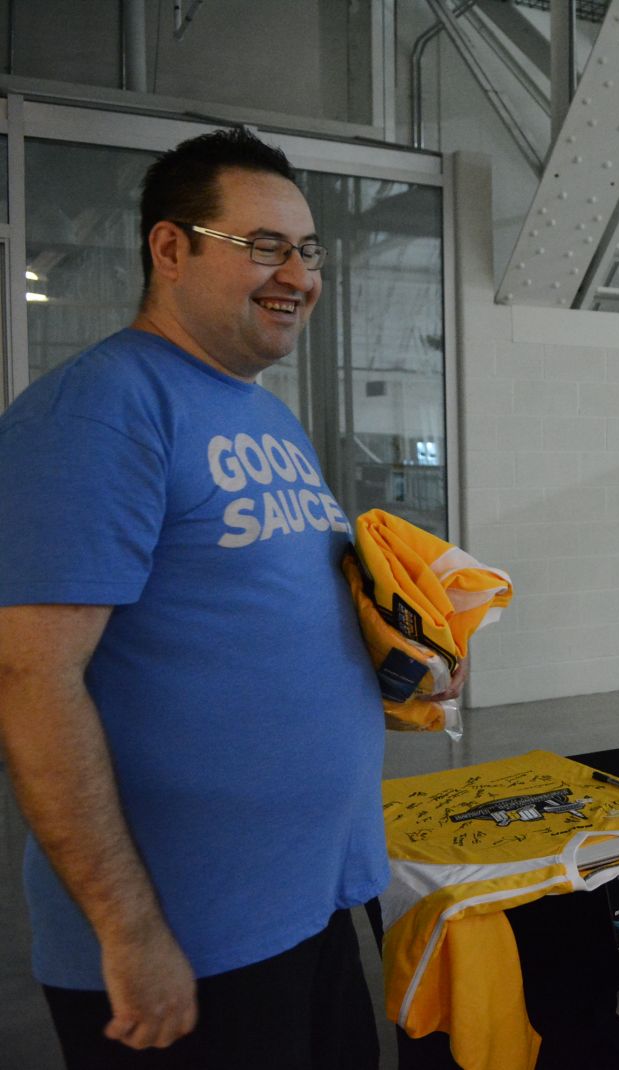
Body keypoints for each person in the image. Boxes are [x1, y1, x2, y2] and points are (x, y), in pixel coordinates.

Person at [0, 128, 395, 1068]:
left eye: (308, 251)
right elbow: (30, 680)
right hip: (192, 937)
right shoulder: (100, 411)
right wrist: (129, 931)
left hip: (308, 904)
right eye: (263, 246)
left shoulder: (268, 413)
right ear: (170, 249)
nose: (297, 275)